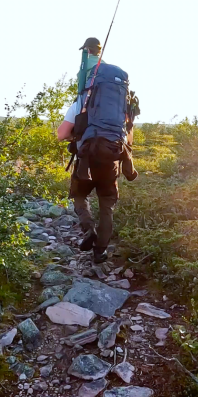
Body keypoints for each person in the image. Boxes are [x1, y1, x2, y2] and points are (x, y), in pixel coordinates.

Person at [57, 37, 137, 263]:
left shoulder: (84, 97)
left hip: (87, 158)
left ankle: (88, 230)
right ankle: (100, 251)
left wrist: (78, 135)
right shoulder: (122, 101)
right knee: (107, 204)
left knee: (80, 195)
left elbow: (62, 134)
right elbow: (128, 135)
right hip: (112, 155)